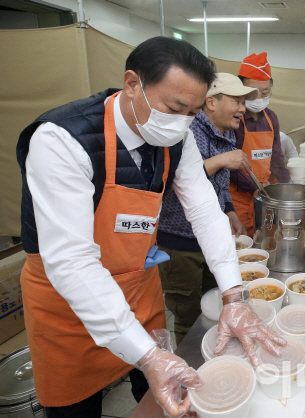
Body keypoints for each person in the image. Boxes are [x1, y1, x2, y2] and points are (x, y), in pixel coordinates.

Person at [16, 37, 285, 418]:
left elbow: (205, 211)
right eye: (175, 107)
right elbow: (71, 263)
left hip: (139, 290)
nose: (182, 122)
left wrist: (233, 296)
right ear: (132, 84)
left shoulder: (177, 136)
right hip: (67, 308)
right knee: (76, 408)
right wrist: (144, 353)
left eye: (192, 113)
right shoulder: (62, 140)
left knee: (161, 394)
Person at [157, 73, 258, 345]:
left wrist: (231, 213)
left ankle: (215, 351)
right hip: (179, 243)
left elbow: (219, 186)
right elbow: (182, 180)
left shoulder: (227, 133)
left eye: (243, 102)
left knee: (213, 305)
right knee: (188, 314)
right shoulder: (187, 131)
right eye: (236, 101)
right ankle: (191, 365)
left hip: (210, 241)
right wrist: (223, 159)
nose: (242, 109)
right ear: (211, 102)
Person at [231, 52, 290, 235]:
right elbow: (228, 165)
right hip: (238, 198)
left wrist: (287, 187)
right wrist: (256, 188)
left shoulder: (271, 118)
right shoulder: (233, 118)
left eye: (264, 93)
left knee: (265, 238)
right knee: (241, 245)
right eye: (253, 93)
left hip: (264, 194)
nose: (259, 98)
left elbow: (276, 158)